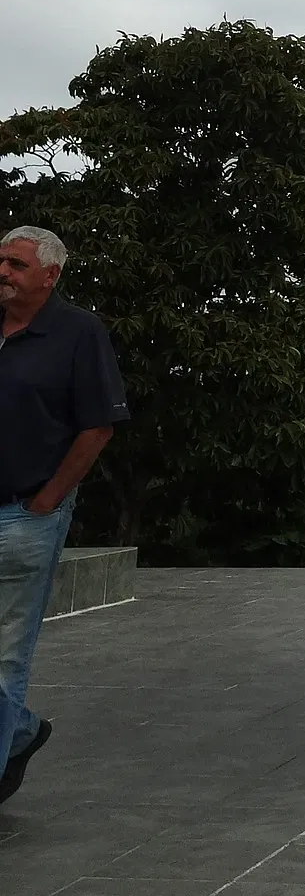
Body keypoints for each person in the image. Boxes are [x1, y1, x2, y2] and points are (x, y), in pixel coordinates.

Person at [0, 226, 128, 802]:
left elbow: (97, 425)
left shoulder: (79, 332)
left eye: (16, 264)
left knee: (5, 653)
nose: (3, 272)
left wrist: (47, 500)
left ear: (50, 275)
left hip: (25, 516)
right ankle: (20, 732)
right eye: (0, 261)